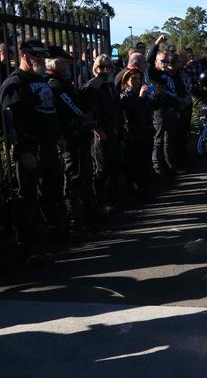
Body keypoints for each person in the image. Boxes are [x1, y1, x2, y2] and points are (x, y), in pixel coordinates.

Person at [0, 40, 64, 253]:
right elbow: (11, 121)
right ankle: (28, 246)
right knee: (27, 199)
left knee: (52, 192)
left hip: (48, 147)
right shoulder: (15, 83)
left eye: (42, 56)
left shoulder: (41, 79)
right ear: (23, 55)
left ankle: (54, 234)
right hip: (30, 150)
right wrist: (23, 150)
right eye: (35, 55)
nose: (40, 60)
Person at [47, 46, 95, 228]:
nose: (68, 63)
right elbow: (74, 109)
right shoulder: (55, 84)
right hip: (68, 139)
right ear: (54, 62)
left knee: (80, 175)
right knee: (72, 177)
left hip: (77, 136)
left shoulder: (64, 82)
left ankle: (83, 212)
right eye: (64, 59)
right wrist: (84, 116)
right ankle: (75, 217)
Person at [81, 54, 122, 213]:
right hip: (100, 134)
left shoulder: (110, 85)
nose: (106, 70)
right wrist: (98, 129)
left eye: (109, 67)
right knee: (101, 169)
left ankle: (113, 198)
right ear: (95, 68)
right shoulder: (92, 86)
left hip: (113, 130)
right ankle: (101, 202)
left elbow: (115, 107)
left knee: (114, 165)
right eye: (102, 67)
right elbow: (89, 110)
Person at [147, 35, 179, 176]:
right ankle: (158, 169)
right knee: (158, 141)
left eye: (167, 61)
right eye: (162, 61)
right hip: (159, 112)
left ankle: (169, 166)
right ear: (156, 62)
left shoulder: (168, 74)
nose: (165, 63)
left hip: (170, 111)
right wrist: (157, 43)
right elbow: (148, 60)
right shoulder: (154, 73)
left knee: (169, 140)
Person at [119, 69, 153, 198]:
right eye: (133, 79)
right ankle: (135, 191)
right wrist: (141, 97)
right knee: (135, 164)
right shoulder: (124, 96)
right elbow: (131, 111)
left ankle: (145, 188)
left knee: (145, 162)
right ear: (127, 81)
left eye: (139, 79)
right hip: (132, 134)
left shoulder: (141, 94)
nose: (137, 81)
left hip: (144, 132)